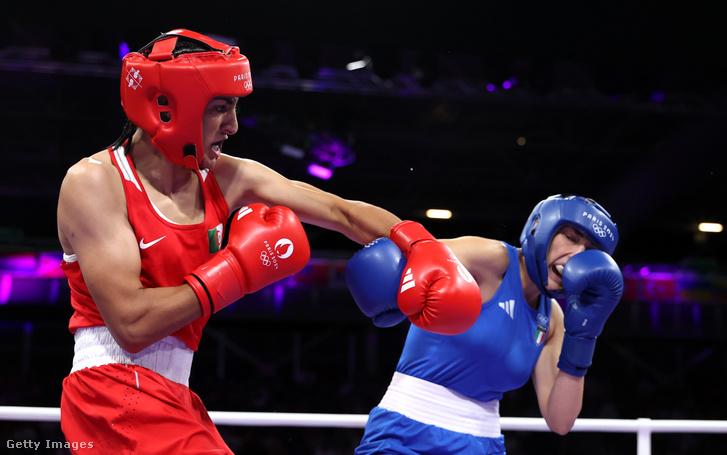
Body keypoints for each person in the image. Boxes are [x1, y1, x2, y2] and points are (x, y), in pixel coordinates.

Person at [56, 29, 482, 454]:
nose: (233, 126)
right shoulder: (96, 182)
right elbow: (131, 326)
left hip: (173, 393)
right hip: (113, 392)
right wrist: (236, 271)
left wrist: (419, 244)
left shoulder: (227, 177)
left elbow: (341, 212)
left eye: (235, 108)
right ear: (169, 107)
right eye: (221, 108)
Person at [345, 193, 625, 454]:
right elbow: (408, 244)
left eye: (589, 249)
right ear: (543, 228)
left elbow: (560, 421)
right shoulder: (490, 259)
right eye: (571, 237)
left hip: (483, 442)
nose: (578, 254)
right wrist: (334, 210)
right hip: (406, 430)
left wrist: (585, 335)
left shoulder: (553, 318)